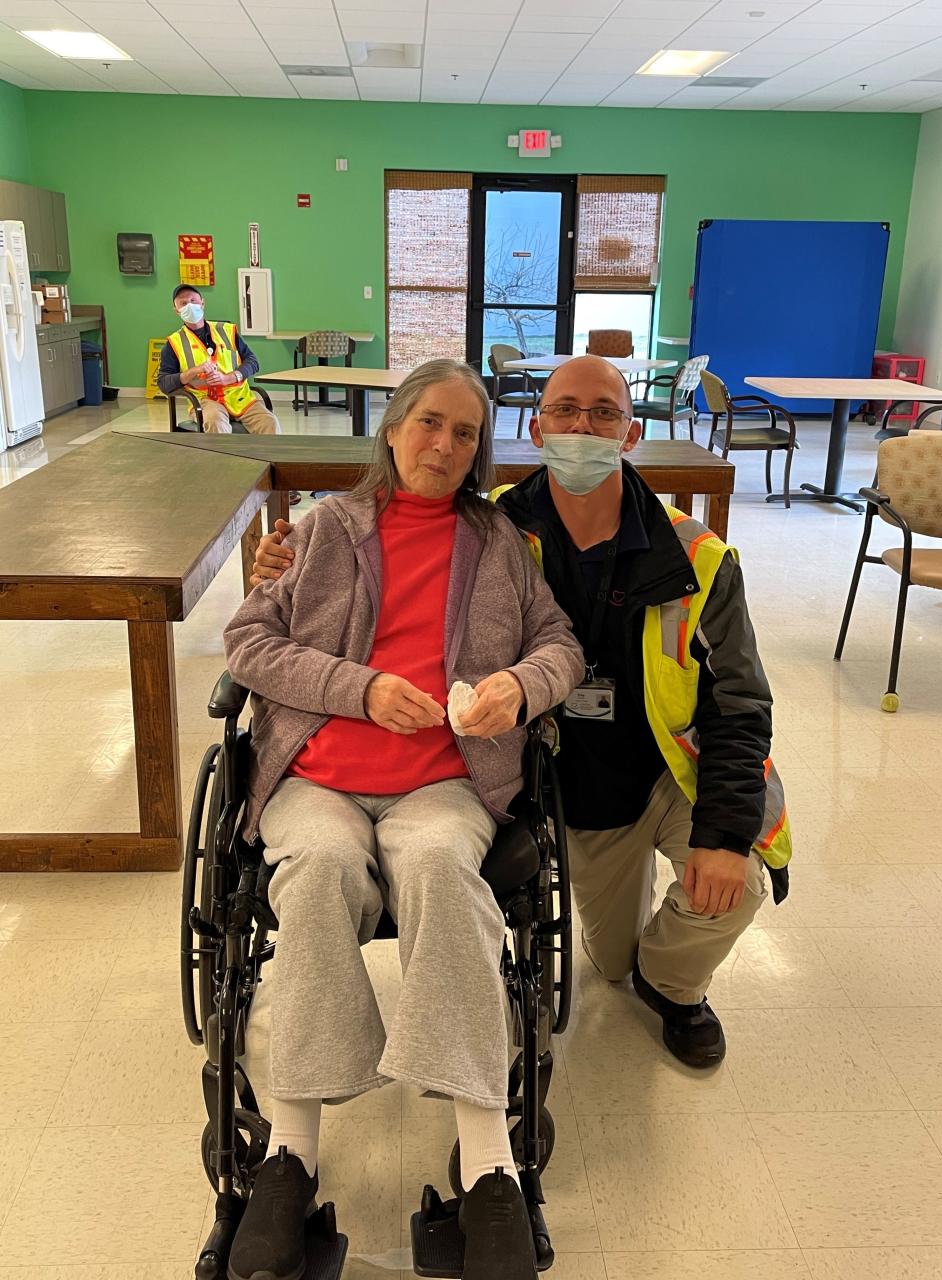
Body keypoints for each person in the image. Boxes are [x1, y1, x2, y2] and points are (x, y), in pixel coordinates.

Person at [254, 354, 792, 1072]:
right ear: (535, 428)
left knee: (733, 882)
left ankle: (674, 988)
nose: (583, 427)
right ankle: (626, 955)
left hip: (663, 775)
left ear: (631, 434)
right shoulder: (494, 527)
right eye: (565, 411)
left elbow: (741, 706)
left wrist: (724, 835)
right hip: (555, 785)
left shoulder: (696, 556)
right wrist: (285, 567)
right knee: (603, 960)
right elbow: (377, 548)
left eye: (605, 413)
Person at [222, 358, 583, 1280]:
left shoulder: (497, 540)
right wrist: (363, 688)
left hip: (442, 782)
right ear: (392, 429)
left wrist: (517, 684)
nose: (445, 446)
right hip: (320, 779)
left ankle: (489, 1162)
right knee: (320, 874)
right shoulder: (324, 530)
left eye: (465, 433)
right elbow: (248, 644)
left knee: (438, 873)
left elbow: (561, 647)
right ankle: (290, 1153)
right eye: (429, 423)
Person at [157, 285, 280, 437]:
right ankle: (225, 461)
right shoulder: (174, 343)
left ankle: (268, 461)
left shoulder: (227, 331)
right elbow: (163, 383)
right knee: (216, 421)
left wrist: (230, 377)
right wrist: (193, 372)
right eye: (183, 303)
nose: (189, 305)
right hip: (206, 401)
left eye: (193, 300)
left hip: (240, 397)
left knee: (269, 422)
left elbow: (252, 362)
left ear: (202, 303)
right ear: (176, 310)